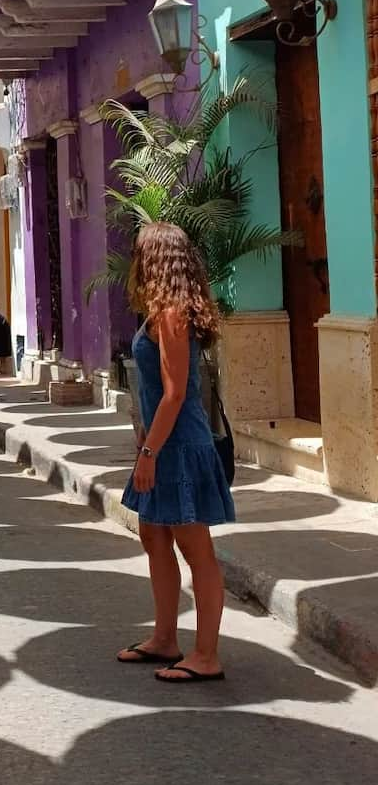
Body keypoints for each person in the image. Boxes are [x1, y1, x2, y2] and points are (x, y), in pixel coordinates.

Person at [116, 222, 235, 684]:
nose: (134, 260)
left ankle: (207, 655)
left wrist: (149, 452)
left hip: (179, 446)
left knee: (196, 548)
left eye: (140, 251)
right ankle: (165, 637)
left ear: (158, 259)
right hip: (163, 443)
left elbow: (173, 393)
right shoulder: (159, 310)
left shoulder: (172, 315)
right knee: (155, 538)